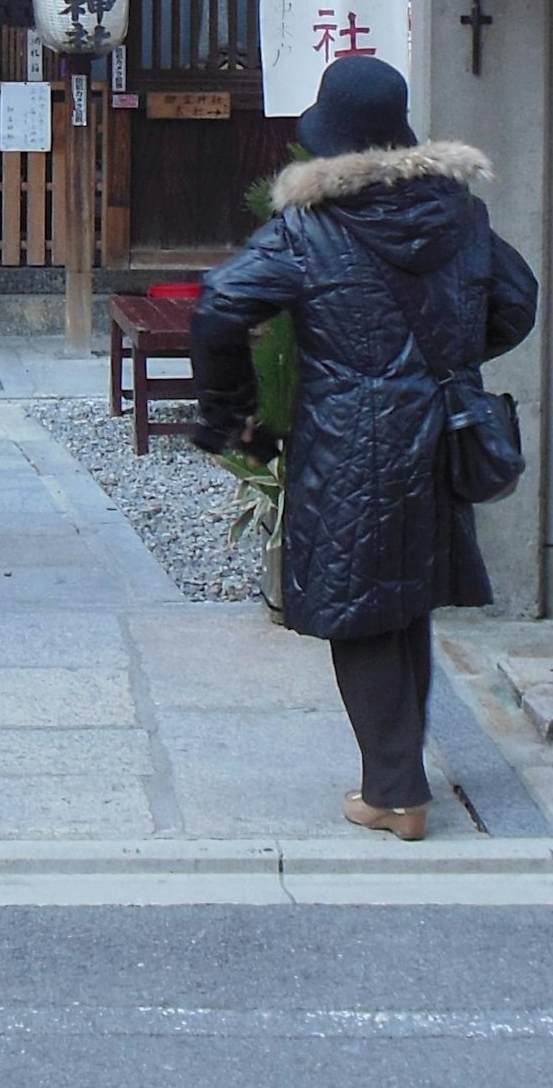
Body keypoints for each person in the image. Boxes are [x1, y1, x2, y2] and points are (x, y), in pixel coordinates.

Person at [190, 53, 533, 841]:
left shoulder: (308, 228)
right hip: (439, 433)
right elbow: (518, 302)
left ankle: (395, 793)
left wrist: (231, 414)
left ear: (333, 140)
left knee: (362, 612)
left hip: (351, 438)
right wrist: (449, 357)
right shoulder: (460, 214)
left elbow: (218, 306)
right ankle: (400, 778)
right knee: (405, 600)